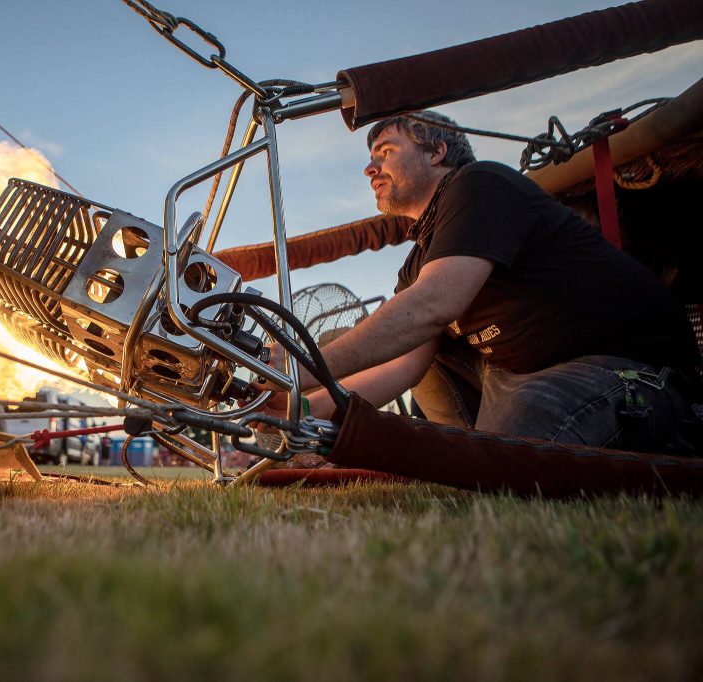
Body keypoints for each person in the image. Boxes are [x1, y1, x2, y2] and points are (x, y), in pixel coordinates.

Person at [275, 110, 701, 454]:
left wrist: (299, 364)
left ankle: (675, 433)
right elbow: (401, 366)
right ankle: (468, 453)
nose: (370, 168)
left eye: (385, 151)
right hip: (517, 376)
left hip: (624, 370)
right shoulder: (419, 260)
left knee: (506, 446)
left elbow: (431, 306)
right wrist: (293, 405)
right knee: (405, 338)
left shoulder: (481, 185)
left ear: (437, 151)